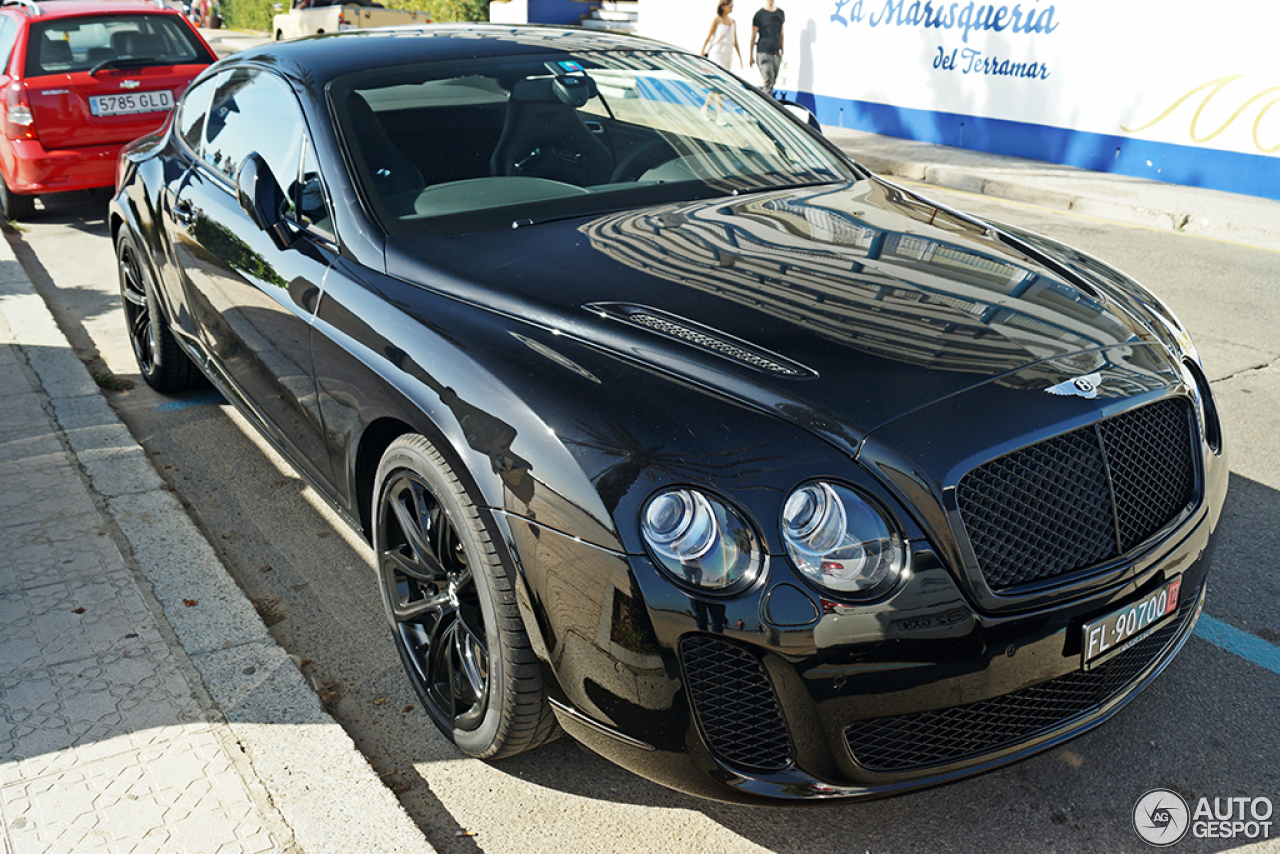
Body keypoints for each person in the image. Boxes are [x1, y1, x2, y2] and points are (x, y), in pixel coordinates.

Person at [749, 0, 785, 97]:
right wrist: (751, 56)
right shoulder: (759, 14)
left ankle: (762, 103)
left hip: (776, 53)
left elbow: (781, 33)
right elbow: (753, 36)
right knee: (768, 82)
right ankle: (764, 109)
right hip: (763, 52)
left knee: (771, 82)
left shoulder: (780, 13)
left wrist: (782, 50)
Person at [700, 1, 742, 72]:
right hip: (717, 54)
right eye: (730, 5)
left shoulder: (733, 22)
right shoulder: (717, 20)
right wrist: (702, 50)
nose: (731, 8)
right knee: (715, 72)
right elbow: (709, 36)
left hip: (728, 56)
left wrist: (740, 58)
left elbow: (735, 41)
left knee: (724, 75)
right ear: (723, 6)